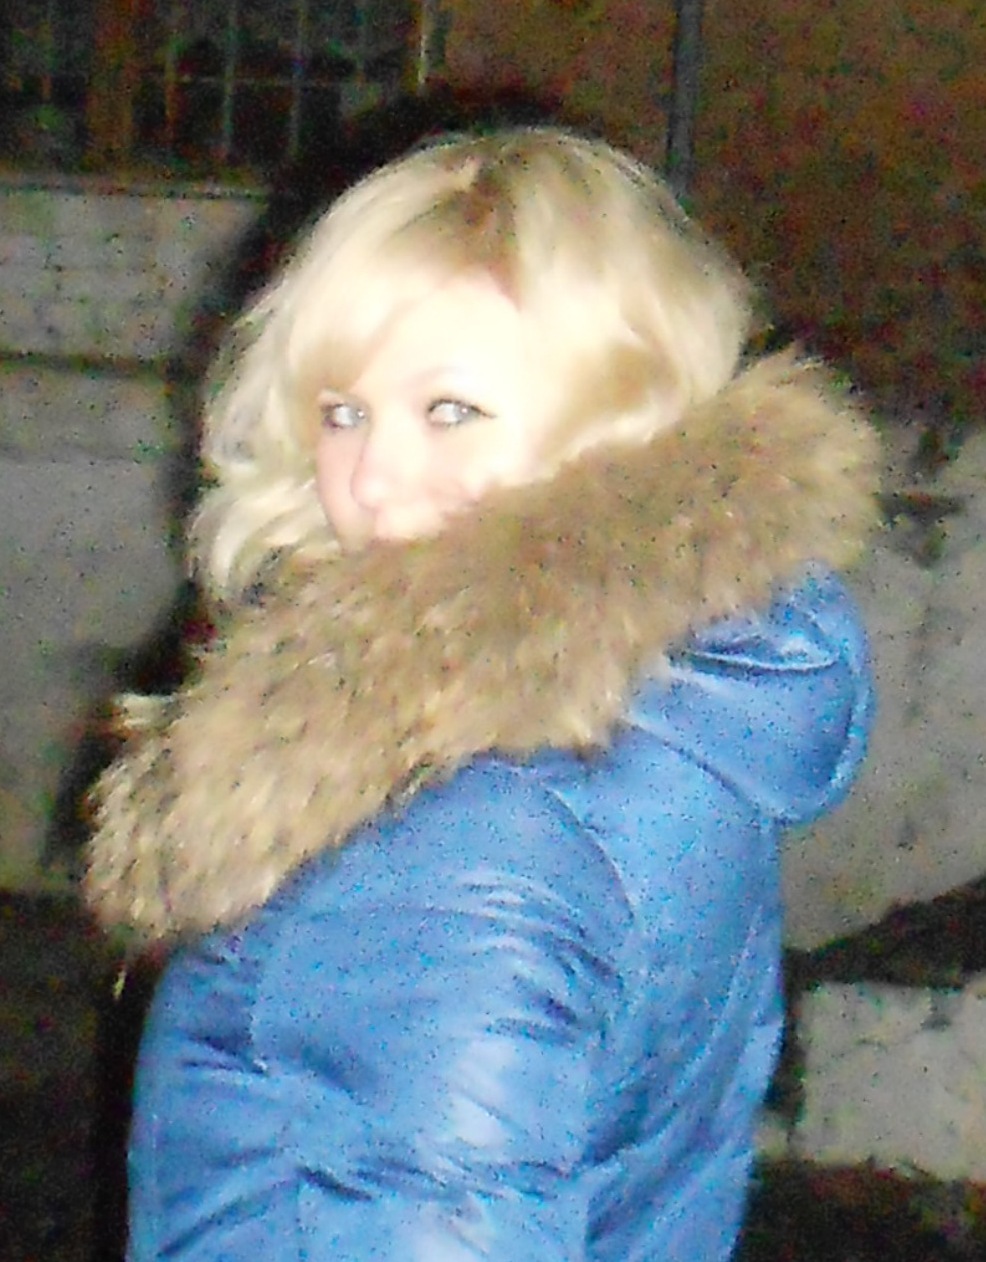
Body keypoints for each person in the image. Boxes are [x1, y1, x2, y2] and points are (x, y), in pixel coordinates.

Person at [85, 126, 878, 1260]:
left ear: (615, 416)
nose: (371, 478)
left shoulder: (455, 844)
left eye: (449, 409)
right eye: (342, 411)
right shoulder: (681, 716)